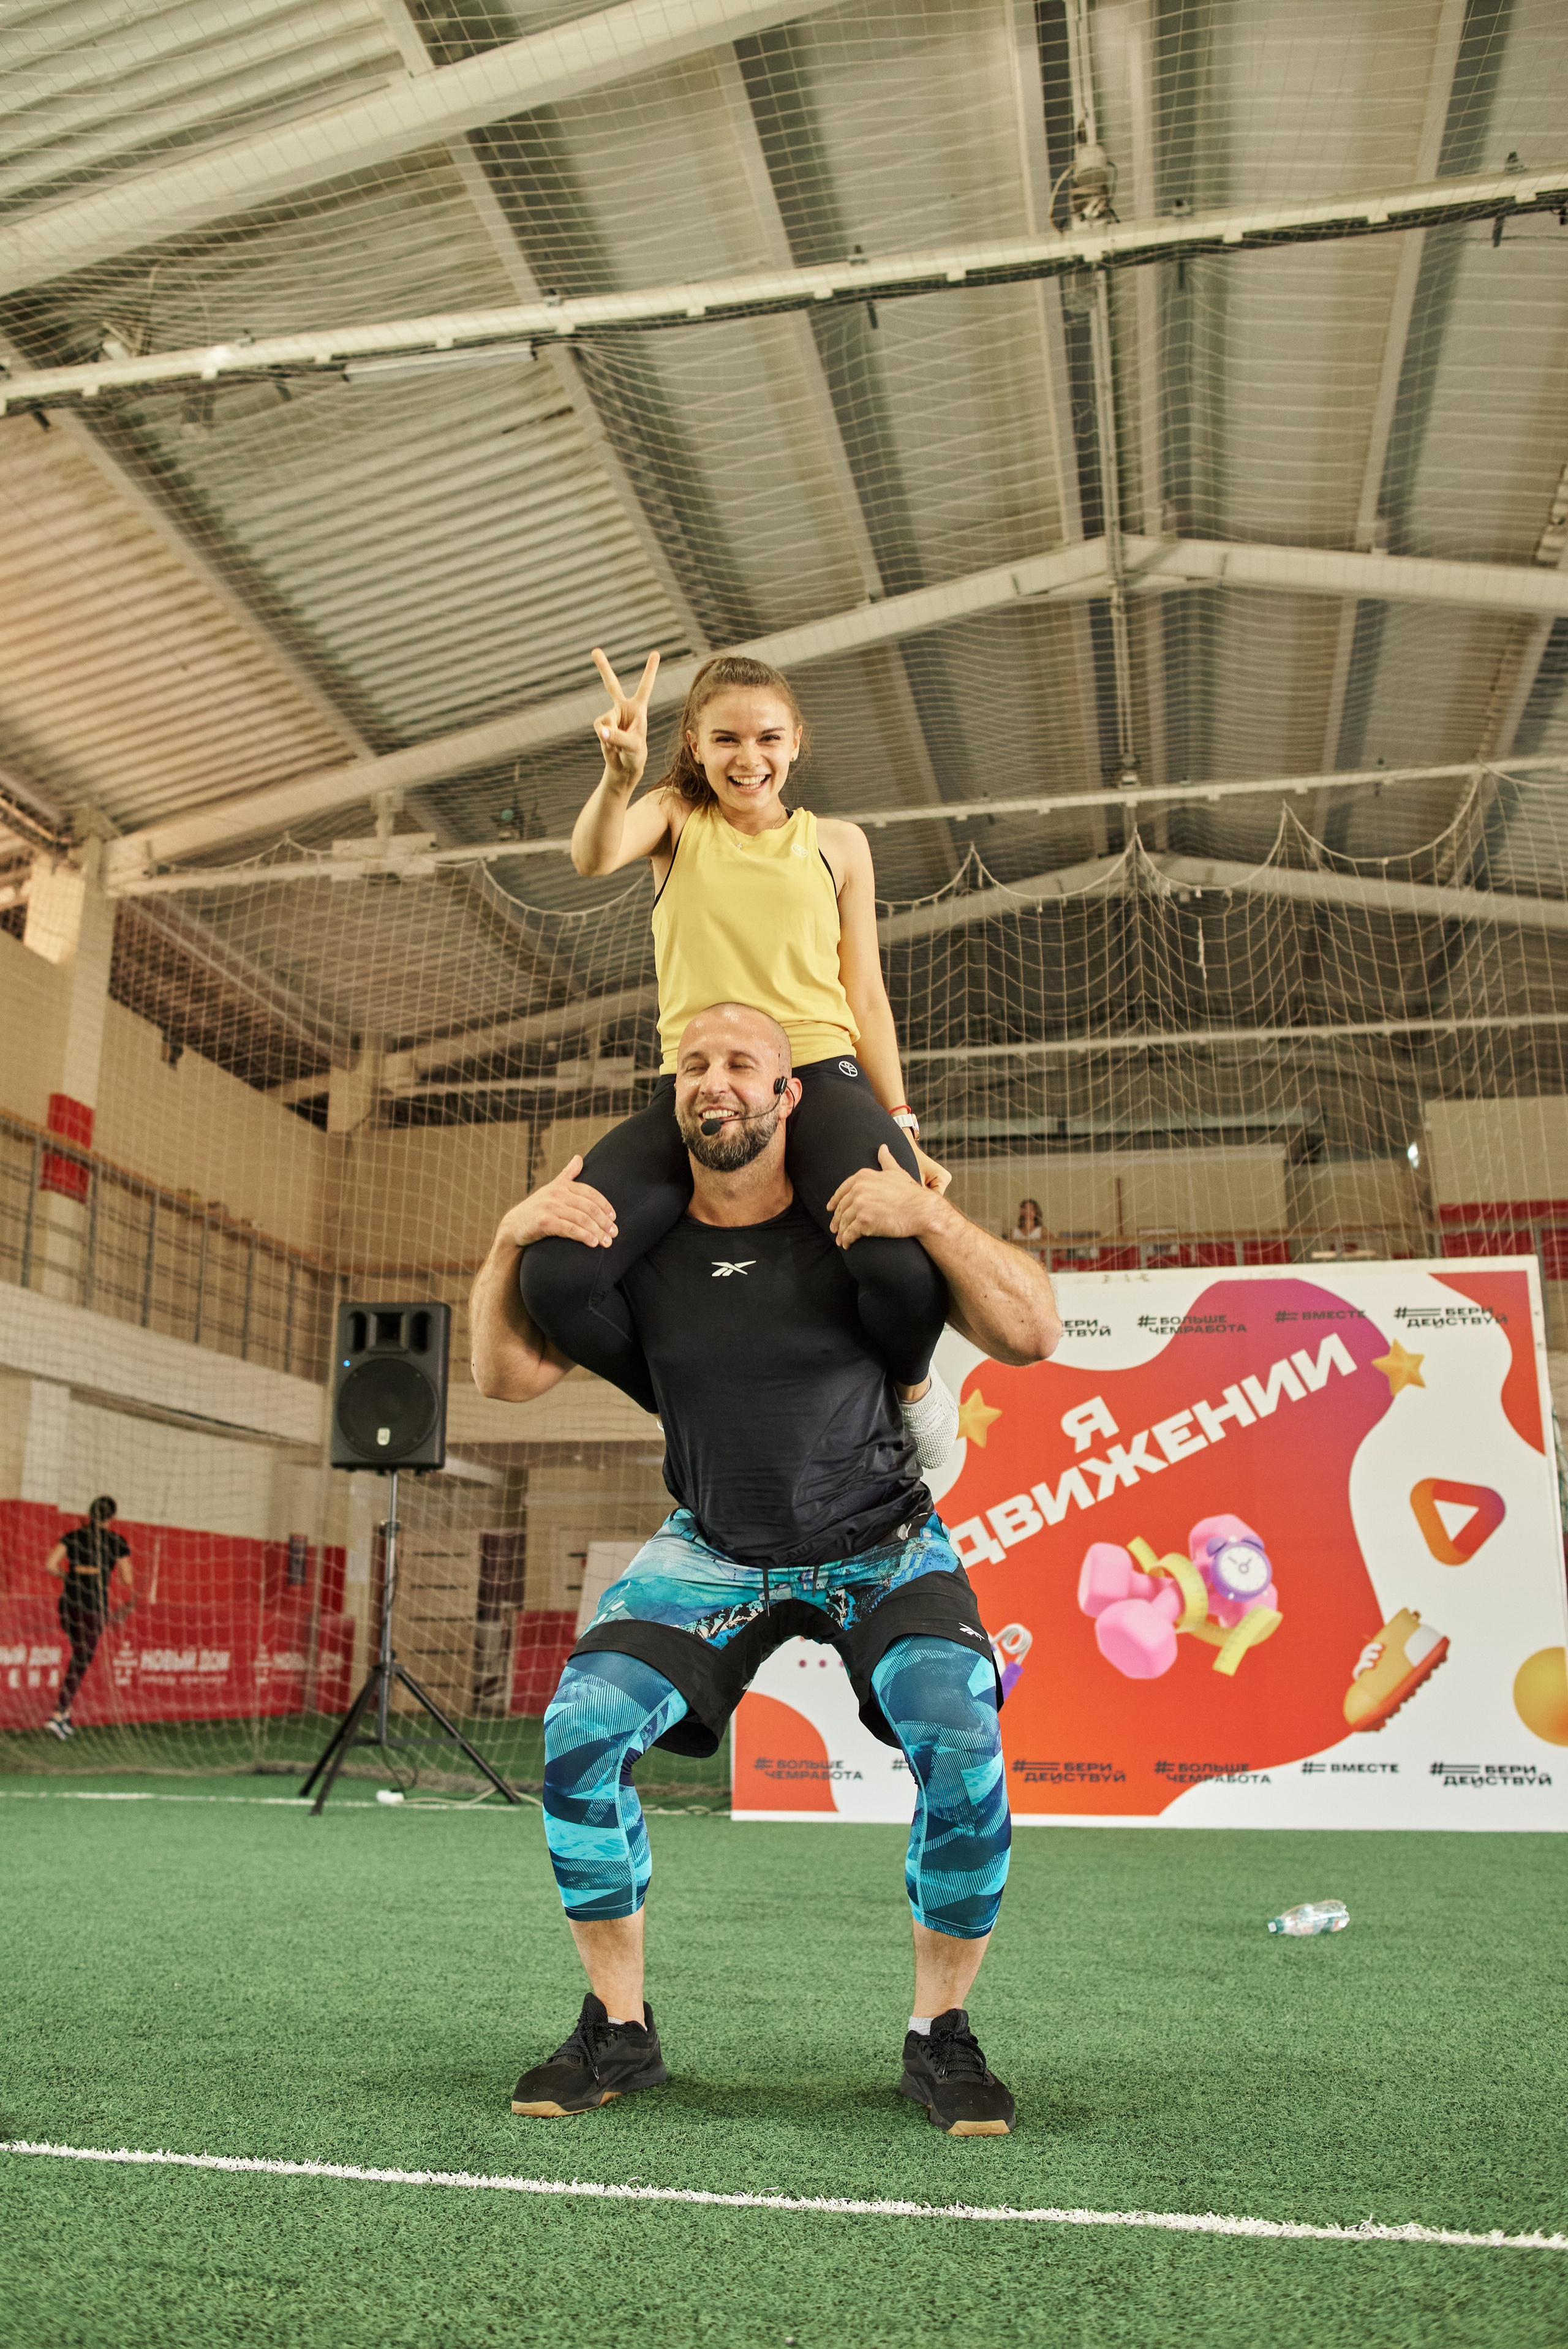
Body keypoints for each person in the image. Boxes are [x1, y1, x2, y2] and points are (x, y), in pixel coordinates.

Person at [472, 1001, 1061, 2135]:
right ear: (674, 1097)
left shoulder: (862, 1230)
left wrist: (932, 1216)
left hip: (880, 1540)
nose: (716, 1081)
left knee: (960, 1729)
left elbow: (1034, 1331)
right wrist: (508, 1239)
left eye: (743, 1062)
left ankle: (941, 2038)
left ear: (790, 1095)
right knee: (581, 1731)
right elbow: (502, 1380)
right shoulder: (637, 1261)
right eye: (694, 1065)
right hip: (713, 1550)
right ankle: (618, 2032)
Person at [518, 647, 955, 1461]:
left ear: (796, 744)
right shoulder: (673, 821)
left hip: (819, 1072)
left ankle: (911, 1391)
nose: (747, 757)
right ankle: (684, 1395)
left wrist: (901, 1120)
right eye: (725, 739)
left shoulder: (839, 845)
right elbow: (590, 856)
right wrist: (618, 776)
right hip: (699, 1090)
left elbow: (864, 993)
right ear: (693, 743)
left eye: (767, 738)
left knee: (905, 1261)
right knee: (555, 1275)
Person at [43, 1496, 133, 1739]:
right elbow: (128, 1579)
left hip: (68, 1606)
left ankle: (65, 1715)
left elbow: (50, 1565)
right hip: (91, 1608)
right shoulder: (117, 1541)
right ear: (111, 1517)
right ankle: (58, 1713)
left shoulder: (73, 1536)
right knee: (82, 1661)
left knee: (78, 1656)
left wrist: (69, 1576)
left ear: (90, 1513)